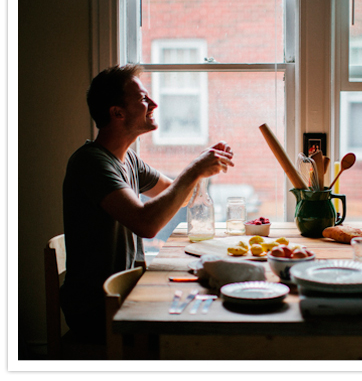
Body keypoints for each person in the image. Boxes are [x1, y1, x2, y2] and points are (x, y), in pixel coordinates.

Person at [60, 65, 234, 343]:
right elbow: (146, 224)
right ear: (117, 113)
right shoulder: (91, 163)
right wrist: (193, 171)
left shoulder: (128, 159)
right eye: (143, 99)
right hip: (99, 306)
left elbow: (183, 197)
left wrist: (201, 169)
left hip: (128, 291)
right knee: (200, 331)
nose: (153, 104)